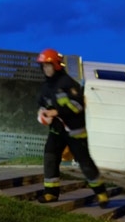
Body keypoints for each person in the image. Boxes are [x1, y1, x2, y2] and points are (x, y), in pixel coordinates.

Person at [35, 48, 108, 207]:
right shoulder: (46, 86)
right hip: (56, 131)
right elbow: (42, 103)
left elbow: (78, 106)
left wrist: (57, 111)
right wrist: (43, 113)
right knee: (50, 158)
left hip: (75, 132)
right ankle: (51, 193)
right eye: (44, 66)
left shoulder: (68, 83)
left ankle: (101, 193)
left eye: (49, 66)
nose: (46, 69)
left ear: (56, 65)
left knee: (85, 163)